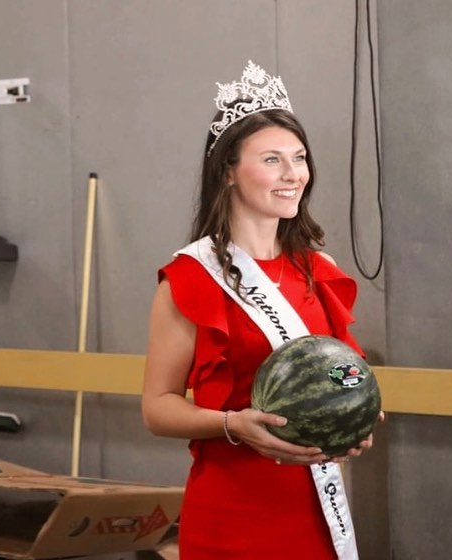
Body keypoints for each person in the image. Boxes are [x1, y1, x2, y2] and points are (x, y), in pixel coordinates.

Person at [142, 60, 381, 559]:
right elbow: (157, 407)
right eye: (272, 160)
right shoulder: (190, 279)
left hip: (318, 511)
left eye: (298, 158)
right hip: (233, 517)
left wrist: (355, 421)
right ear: (228, 171)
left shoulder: (320, 270)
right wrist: (232, 425)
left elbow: (345, 376)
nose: (293, 174)